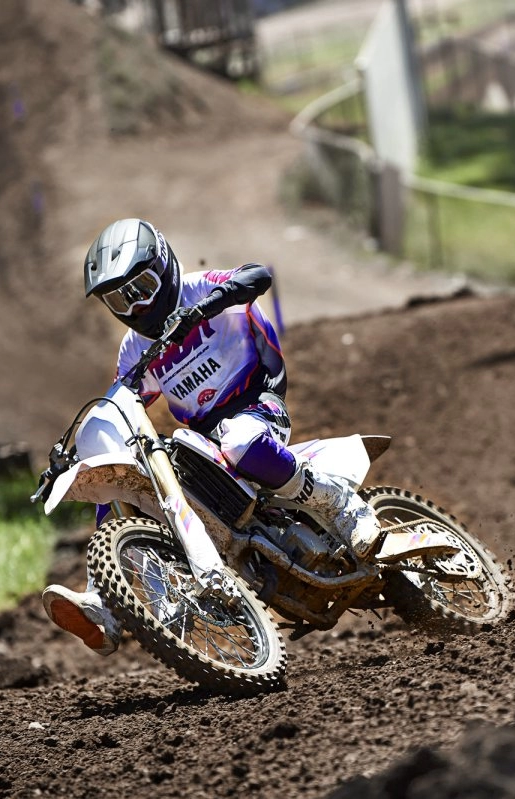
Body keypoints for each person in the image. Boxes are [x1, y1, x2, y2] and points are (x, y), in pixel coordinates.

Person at [41, 218, 380, 655]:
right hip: (205, 439)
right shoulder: (134, 348)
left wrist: (206, 307)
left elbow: (258, 276)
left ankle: (340, 503)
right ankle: (103, 603)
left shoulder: (200, 289)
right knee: (116, 480)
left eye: (142, 288)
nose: (136, 307)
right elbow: (121, 403)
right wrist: (71, 458)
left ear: (164, 268)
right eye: (119, 299)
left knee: (240, 441)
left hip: (257, 404)